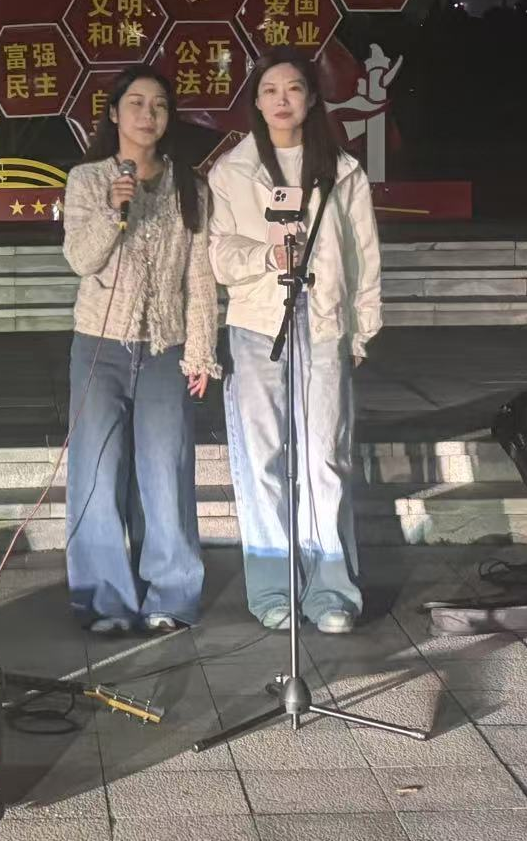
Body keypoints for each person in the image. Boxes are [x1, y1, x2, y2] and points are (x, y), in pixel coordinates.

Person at [208, 46, 381, 634]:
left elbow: (362, 254)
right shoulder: (232, 171)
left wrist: (362, 326)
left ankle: (331, 591)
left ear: (311, 99)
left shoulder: (341, 169)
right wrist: (267, 255)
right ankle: (273, 588)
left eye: (294, 89)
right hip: (258, 322)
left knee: (324, 456)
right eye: (270, 90)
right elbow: (219, 254)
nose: (282, 100)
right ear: (256, 102)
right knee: (263, 457)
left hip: (324, 319)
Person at [61, 64, 221, 635]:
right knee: (97, 472)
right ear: (114, 113)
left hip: (165, 349)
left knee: (165, 471)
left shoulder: (191, 187)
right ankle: (104, 600)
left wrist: (199, 351)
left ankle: (171, 595)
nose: (147, 114)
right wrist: (113, 209)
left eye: (158, 105)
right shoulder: (87, 179)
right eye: (136, 103)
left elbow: (199, 277)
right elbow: (81, 259)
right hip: (99, 346)